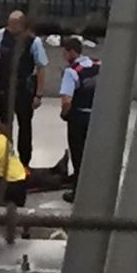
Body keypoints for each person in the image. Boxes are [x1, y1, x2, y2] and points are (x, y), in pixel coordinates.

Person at [0, 11, 48, 167]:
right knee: (4, 123)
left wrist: (39, 94)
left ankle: (24, 161)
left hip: (24, 88)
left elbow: (41, 68)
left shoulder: (34, 42)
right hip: (4, 85)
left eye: (13, 24)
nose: (9, 26)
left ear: (21, 24)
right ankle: (6, 156)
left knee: (24, 125)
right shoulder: (2, 34)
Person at [58, 37, 99, 203]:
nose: (63, 55)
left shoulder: (71, 71)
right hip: (97, 117)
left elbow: (66, 100)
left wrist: (64, 114)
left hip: (79, 118)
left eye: (64, 52)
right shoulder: (98, 65)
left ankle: (78, 192)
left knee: (78, 155)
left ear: (71, 52)